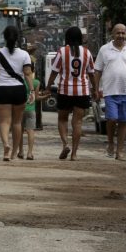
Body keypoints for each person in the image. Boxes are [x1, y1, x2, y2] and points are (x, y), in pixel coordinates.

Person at [0, 26, 35, 161]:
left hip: (2, 89)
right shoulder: (25, 55)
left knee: (4, 121)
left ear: (4, 38)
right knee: (17, 123)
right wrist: (32, 91)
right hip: (19, 90)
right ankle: (14, 153)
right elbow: (28, 73)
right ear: (17, 38)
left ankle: (6, 146)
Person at [46, 27, 96, 161]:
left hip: (65, 91)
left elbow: (54, 71)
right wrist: (95, 89)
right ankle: (74, 154)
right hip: (82, 91)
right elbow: (91, 74)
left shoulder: (62, 52)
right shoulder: (87, 53)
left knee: (62, 120)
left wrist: (48, 86)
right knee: (78, 123)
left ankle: (65, 144)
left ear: (67, 38)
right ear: (80, 38)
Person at [94, 23, 126, 161]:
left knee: (123, 122)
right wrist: (96, 89)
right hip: (110, 92)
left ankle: (119, 151)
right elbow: (97, 71)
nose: (121, 35)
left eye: (123, 33)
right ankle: (110, 142)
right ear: (113, 34)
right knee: (112, 118)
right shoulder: (104, 49)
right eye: (118, 33)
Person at [17, 64, 40, 160]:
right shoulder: (36, 82)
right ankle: (30, 153)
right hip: (31, 110)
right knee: (30, 131)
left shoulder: (19, 81)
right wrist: (46, 97)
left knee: (20, 131)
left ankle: (21, 152)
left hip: (20, 109)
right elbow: (37, 98)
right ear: (33, 71)